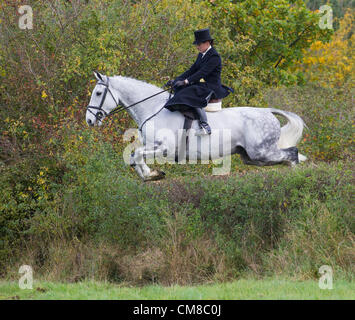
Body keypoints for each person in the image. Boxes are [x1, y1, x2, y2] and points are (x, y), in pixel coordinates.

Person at [164, 28, 233, 135]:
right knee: (180, 88)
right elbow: (192, 70)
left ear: (208, 42)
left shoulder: (214, 56)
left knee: (191, 91)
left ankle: (205, 125)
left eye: (199, 44)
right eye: (197, 44)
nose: (197, 46)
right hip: (205, 85)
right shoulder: (202, 54)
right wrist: (177, 80)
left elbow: (202, 73)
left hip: (212, 87)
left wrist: (186, 81)